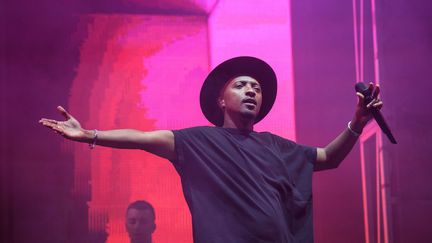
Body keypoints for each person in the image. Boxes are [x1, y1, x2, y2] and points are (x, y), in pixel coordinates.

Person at [40, 56, 383, 243]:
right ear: (221, 99)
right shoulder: (198, 142)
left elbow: (329, 157)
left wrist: (357, 121)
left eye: (257, 88)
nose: (251, 91)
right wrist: (90, 135)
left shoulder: (277, 146)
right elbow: (140, 137)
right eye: (241, 86)